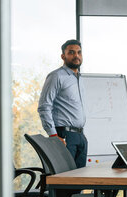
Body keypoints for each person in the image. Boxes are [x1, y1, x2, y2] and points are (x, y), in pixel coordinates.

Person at [38, 39, 87, 168]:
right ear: (63, 56)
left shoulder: (79, 79)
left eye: (79, 52)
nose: (76, 55)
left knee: (80, 181)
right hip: (64, 135)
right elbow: (44, 107)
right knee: (65, 180)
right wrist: (53, 135)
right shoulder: (56, 76)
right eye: (71, 52)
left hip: (80, 136)